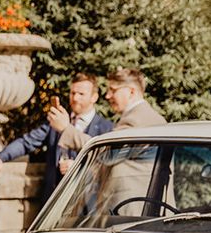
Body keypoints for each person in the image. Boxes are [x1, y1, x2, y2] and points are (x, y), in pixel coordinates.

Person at [50, 68, 167, 218]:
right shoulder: (147, 116)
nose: (107, 96)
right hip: (143, 206)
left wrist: (66, 129)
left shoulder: (136, 120)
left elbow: (107, 151)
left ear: (131, 92)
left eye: (113, 90)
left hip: (133, 209)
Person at [0, 73, 114, 202]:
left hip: (89, 204)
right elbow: (26, 142)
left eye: (81, 94)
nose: (75, 98)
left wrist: (79, 167)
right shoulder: (56, 121)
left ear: (94, 97)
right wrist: (0, 157)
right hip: (54, 203)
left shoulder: (107, 128)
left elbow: (107, 166)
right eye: (73, 93)